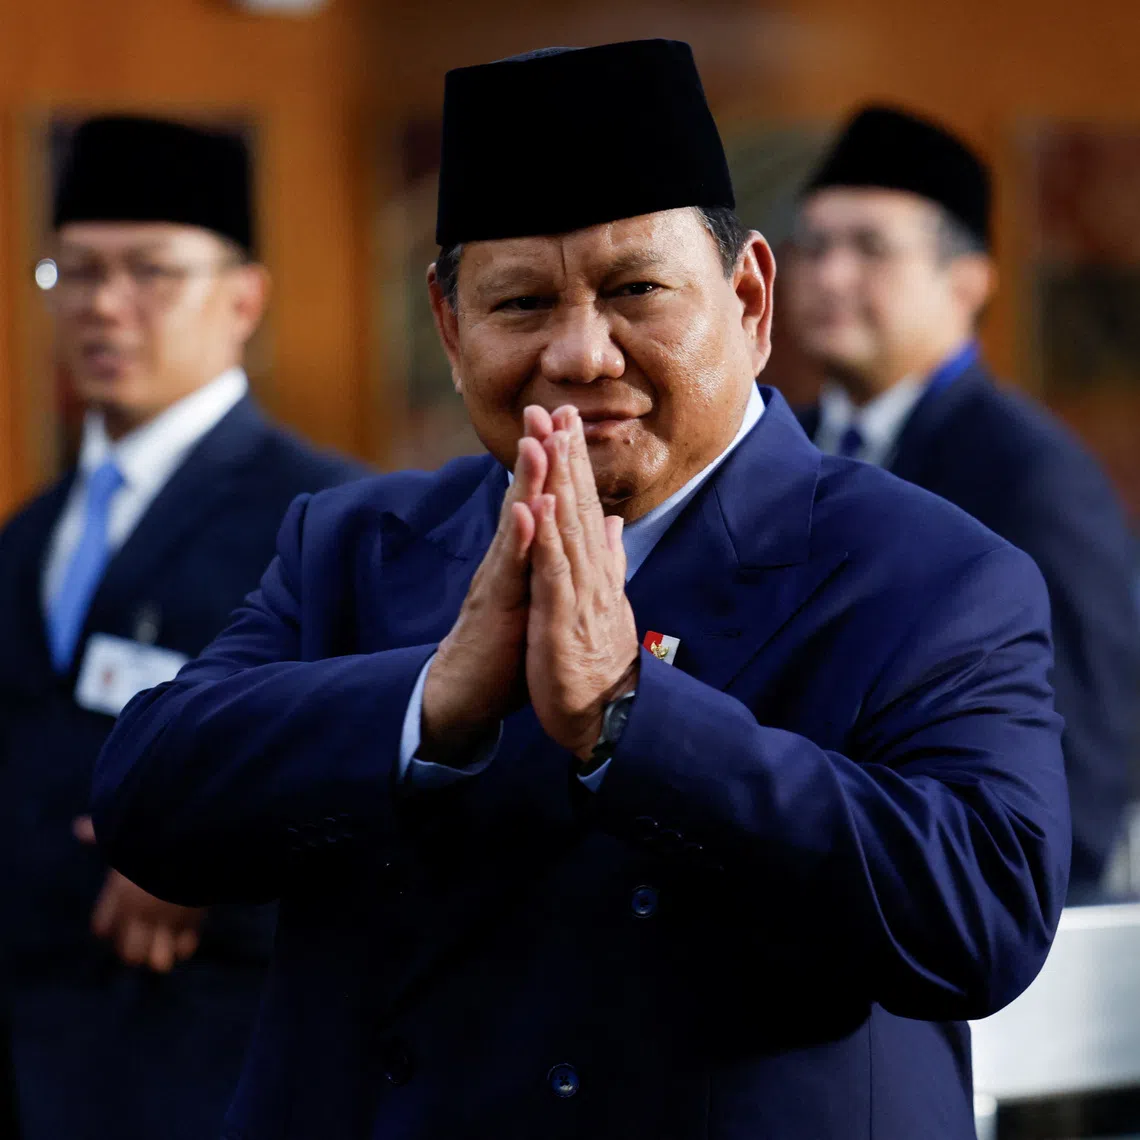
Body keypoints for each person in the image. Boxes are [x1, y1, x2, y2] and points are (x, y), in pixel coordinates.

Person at [94, 43, 1069, 1140]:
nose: (581, 354)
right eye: (519, 303)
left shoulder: (928, 572)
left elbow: (984, 918)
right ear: (451, 328)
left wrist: (629, 718)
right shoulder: (356, 544)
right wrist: (429, 702)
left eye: (636, 291)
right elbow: (147, 799)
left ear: (750, 300)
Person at [0, 115, 364, 1140]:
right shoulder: (28, 534)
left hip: (219, 1055)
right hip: (41, 1049)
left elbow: (388, 773)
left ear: (243, 297)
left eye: (150, 272)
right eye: (74, 271)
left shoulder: (327, 519)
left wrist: (220, 859)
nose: (103, 304)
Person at [785, 105, 1139, 896]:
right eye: (815, 244)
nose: (830, 275)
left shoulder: (1031, 479)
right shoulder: (782, 448)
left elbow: (1077, 786)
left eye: (870, 247)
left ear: (968, 283)